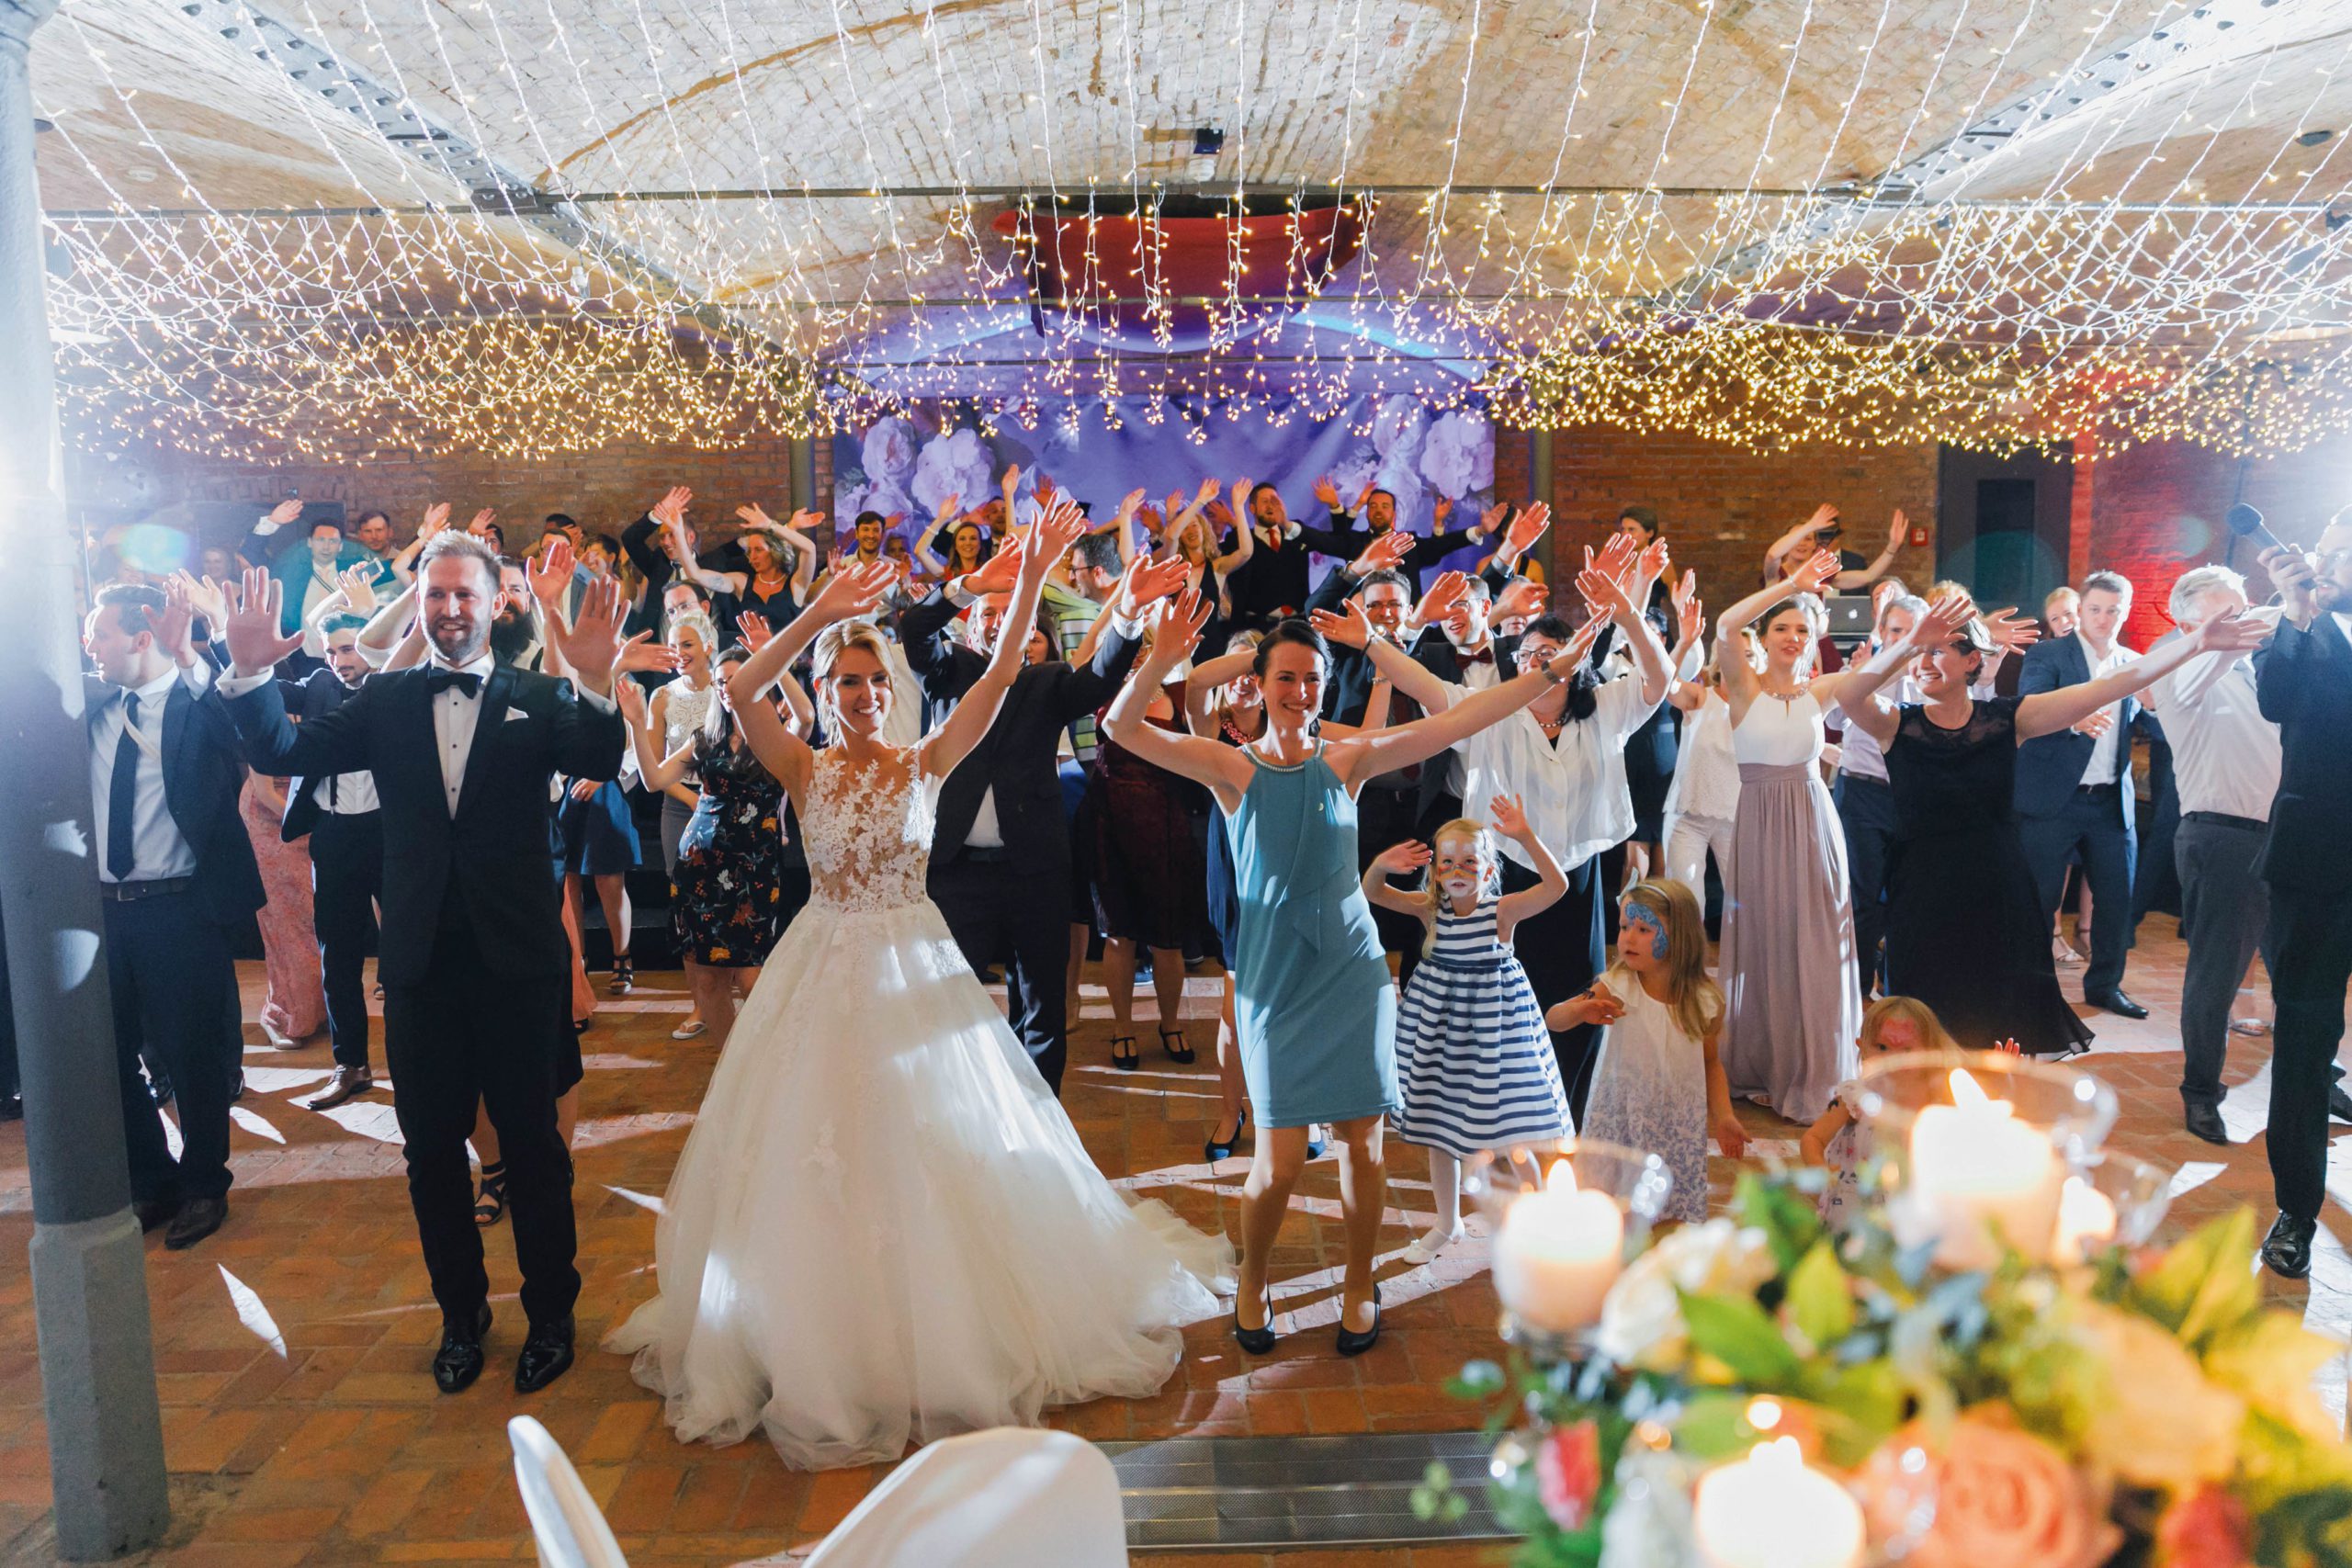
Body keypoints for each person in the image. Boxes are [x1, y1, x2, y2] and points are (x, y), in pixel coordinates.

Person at [608, 516, 1232, 1470]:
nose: (860, 694)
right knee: (817, 1154)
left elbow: (992, 685)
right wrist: (820, 611)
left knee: (941, 1148)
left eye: (871, 679)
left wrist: (1029, 585)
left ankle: (943, 1327)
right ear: (825, 691)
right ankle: (823, 1331)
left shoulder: (923, 762)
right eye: (844, 681)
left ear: (890, 688)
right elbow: (738, 688)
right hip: (820, 970)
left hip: (916, 966)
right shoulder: (801, 765)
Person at [1105, 592, 1611, 1359]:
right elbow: (1119, 726)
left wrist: (1550, 668)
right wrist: (1165, 658)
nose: (1301, 692)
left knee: (1365, 1149)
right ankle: (1254, 1278)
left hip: (1354, 973)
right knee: (1274, 1167)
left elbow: (1459, 720)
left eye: (1312, 678)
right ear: (1261, 682)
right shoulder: (1228, 767)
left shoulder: (1349, 759)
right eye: (1286, 678)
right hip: (1273, 980)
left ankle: (1355, 1285)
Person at [218, 536, 639, 1396]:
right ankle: (462, 1315)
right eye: (436, 594)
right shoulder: (386, 698)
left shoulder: (537, 693)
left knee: (533, 1147)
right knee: (430, 1152)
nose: (450, 608)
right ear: (419, 605)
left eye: (465, 594)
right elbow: (287, 752)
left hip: (519, 963)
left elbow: (598, 759)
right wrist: (251, 673)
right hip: (418, 967)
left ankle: (552, 1314)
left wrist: (595, 685)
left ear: (496, 603)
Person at [1832, 591, 2264, 1058]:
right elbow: (1848, 692)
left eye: (1939, 651)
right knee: (1921, 1007)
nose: (1924, 663)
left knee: (1992, 1011)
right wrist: (1909, 642)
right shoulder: (1897, 724)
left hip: (1996, 886)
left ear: (1972, 660)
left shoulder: (2007, 720)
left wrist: (2196, 643)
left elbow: (2111, 684)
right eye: (1920, 655)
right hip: (1920, 889)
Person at [1334, 536, 1671, 1118]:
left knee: (1581, 997)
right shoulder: (1491, 714)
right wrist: (1371, 643)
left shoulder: (1608, 709)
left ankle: (1567, 1113)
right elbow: (1427, 687)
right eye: (1527, 654)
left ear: (1576, 660)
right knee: (1508, 1002)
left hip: (1580, 877)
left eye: (1550, 652)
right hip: (1507, 881)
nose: (1537, 662)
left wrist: (1625, 610)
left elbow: (1659, 678)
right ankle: (1500, 1114)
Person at [900, 536, 1187, 1094]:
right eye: (989, 614)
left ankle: (1040, 1114)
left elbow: (1101, 678)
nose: (1000, 624)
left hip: (1033, 867)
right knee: (943, 998)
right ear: (968, 624)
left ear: (1037, 631)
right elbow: (915, 628)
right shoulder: (947, 670)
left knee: (1043, 1005)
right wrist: (970, 585)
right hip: (955, 869)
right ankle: (951, 1102)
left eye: (1017, 618)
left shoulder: (1048, 682)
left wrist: (1127, 614)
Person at [83, 581, 264, 1251]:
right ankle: (152, 1176)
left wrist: (192, 654)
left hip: (181, 907)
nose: (89, 645)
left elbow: (243, 729)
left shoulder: (197, 705)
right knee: (109, 1054)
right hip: (103, 911)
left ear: (140, 636)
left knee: (193, 1055)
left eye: (99, 633)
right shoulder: (93, 704)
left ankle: (204, 1184)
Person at [1710, 553, 1883, 1123]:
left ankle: (1815, 1069)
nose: (1792, 637)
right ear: (1764, 637)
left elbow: (1880, 675)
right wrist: (1789, 585)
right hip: (1758, 822)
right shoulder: (1743, 688)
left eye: (1802, 630)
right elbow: (1726, 626)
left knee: (1814, 940)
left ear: (1814, 641)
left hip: (1813, 826)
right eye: (1781, 628)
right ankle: (1764, 1063)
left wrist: (1909, 640)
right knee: (1765, 937)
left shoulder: (1823, 690)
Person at [1368, 798, 1573, 1264]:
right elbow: (1374, 893)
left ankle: (1537, 1222)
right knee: (1440, 1125)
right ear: (1436, 871)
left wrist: (1525, 837)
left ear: (1487, 869)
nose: (1457, 870)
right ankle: (1447, 1222)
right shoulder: (1429, 909)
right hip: (1440, 1030)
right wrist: (1381, 864)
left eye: (1469, 861)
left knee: (1510, 1132)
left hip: (1497, 1034)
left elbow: (1557, 886)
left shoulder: (1502, 912)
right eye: (1447, 862)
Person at [2140, 566, 2287, 1145]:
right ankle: (2201, 1092)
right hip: (2223, 838)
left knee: (2301, 974)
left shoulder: (2262, 669)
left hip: (2290, 833)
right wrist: (2218, 640)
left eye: (2242, 609)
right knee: (2216, 978)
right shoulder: (2175, 660)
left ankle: (2315, 1074)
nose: (2241, 621)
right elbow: (2199, 669)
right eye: (2226, 614)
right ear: (2187, 622)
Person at [618, 641, 807, 1053]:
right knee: (707, 978)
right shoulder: (707, 737)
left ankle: (766, 1063)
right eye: (722, 682)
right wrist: (635, 722)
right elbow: (653, 781)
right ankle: (730, 1069)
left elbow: (806, 717)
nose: (727, 689)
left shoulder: (776, 738)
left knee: (751, 976)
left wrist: (774, 658)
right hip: (699, 866)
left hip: (754, 868)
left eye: (737, 680)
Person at [2251, 536, 2352, 1280]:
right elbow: (2275, 701)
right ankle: (2297, 1207)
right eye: (2338, 547)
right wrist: (2297, 609)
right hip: (2317, 862)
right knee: (2306, 1038)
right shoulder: (2298, 631)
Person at [1553, 878, 1747, 1224]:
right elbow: (1554, 1019)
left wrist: (1725, 1116)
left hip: (1672, 1123)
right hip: (1620, 1118)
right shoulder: (1619, 985)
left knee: (1664, 1212)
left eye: (1643, 928)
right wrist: (1582, 1010)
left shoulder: (1703, 1002)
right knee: (1607, 1208)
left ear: (1680, 936)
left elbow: (1711, 1063)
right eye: (1625, 926)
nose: (1628, 936)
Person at [2015, 570, 2152, 1019]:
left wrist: (2157, 704)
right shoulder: (2049, 653)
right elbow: (2030, 709)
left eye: (2114, 610)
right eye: (2095, 609)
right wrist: (2074, 720)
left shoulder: (2133, 662)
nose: (2103, 618)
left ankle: (2105, 986)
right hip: (2056, 797)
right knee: (2040, 898)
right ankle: (2030, 988)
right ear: (2082, 609)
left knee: (2117, 900)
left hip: (2111, 801)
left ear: (2125, 612)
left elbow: (2151, 725)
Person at [272, 615, 383, 1110]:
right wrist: (221, 641)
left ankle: (425, 1063)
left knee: (409, 954)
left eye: (351, 649)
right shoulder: (318, 684)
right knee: (337, 957)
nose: (342, 660)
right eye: (333, 651)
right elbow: (261, 692)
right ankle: (351, 1065)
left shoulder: (394, 682)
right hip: (335, 833)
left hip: (393, 832)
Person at [1084, 653, 1208, 1071]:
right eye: (1129, 644)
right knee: (1118, 935)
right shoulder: (1102, 689)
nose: (1137, 653)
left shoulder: (1176, 692)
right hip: (1110, 823)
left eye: (1145, 645)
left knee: (1167, 939)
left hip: (1165, 826)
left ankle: (1170, 1023)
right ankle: (1123, 1026)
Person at [1799, 996, 1959, 1227]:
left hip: (1908, 1209)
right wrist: (1821, 1172)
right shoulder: (1854, 1098)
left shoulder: (1934, 1099)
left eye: (1906, 1050)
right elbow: (1812, 1138)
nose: (1891, 1059)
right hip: (1852, 1209)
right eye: (1882, 1047)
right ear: (1861, 1046)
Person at [241, 765, 326, 1049]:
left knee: (315, 917)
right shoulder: (264, 721)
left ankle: (318, 1010)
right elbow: (264, 791)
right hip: (269, 819)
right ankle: (281, 1014)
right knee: (284, 920)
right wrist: (309, 820)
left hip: (307, 811)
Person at [1659, 631, 1744, 906]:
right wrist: (1684, 643)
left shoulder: (1763, 708)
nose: (1740, 661)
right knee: (1686, 904)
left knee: (1744, 903)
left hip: (1737, 817)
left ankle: (1743, 951)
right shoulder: (1700, 697)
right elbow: (1664, 682)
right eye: (1732, 653)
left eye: (1749, 654)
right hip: (1687, 816)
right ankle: (1689, 951)